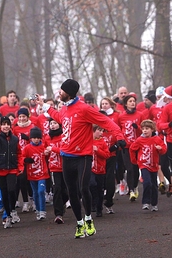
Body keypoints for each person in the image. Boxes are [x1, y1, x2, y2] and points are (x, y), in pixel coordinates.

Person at [36, 78, 125, 239]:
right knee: (72, 192)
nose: (59, 92)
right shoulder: (64, 108)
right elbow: (57, 116)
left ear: (68, 92)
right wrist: (44, 105)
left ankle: (89, 219)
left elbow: (105, 121)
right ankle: (79, 223)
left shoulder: (84, 109)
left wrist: (119, 136)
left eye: (61, 90)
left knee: (84, 188)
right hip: (66, 156)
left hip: (83, 156)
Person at [0, 116, 23, 228]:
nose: (5, 126)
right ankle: (8, 215)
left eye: (7, 124)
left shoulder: (15, 139)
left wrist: (20, 166)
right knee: (4, 193)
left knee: (12, 190)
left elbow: (19, 153)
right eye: (3, 124)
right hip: (0, 169)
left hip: (12, 169)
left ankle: (12, 210)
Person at [129, 120, 167, 211]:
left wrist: (160, 148)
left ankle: (154, 204)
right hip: (144, 164)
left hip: (154, 165)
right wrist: (134, 161)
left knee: (154, 184)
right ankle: (145, 202)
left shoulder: (156, 139)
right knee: (147, 182)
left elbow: (164, 149)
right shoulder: (139, 140)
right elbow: (132, 149)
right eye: (143, 129)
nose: (145, 131)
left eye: (147, 129)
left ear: (152, 130)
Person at [118, 94, 144, 201]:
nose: (132, 103)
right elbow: (119, 129)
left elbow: (144, 130)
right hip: (126, 146)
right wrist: (120, 141)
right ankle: (131, 190)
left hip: (137, 145)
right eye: (130, 101)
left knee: (135, 168)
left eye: (134, 101)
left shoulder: (140, 115)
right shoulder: (121, 116)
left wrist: (137, 127)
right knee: (129, 169)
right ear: (125, 104)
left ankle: (135, 186)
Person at [23, 127, 50, 220]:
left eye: (38, 138)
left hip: (42, 173)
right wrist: (25, 160)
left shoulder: (43, 147)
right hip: (32, 174)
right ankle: (38, 210)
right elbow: (21, 157)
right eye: (34, 138)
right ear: (31, 138)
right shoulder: (27, 148)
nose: (36, 140)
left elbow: (49, 155)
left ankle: (42, 211)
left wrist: (48, 153)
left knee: (41, 191)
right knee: (35, 193)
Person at [45, 119, 68, 224]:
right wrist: (45, 152)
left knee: (66, 191)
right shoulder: (47, 138)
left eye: (55, 123)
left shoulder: (64, 137)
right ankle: (58, 214)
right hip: (54, 168)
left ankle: (62, 203)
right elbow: (44, 150)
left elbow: (65, 151)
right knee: (57, 188)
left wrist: (53, 149)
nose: (53, 125)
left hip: (66, 167)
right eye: (51, 124)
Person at [90, 125, 110, 217]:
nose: (102, 133)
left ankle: (99, 208)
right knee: (91, 184)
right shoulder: (88, 141)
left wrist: (97, 150)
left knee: (100, 190)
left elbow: (107, 155)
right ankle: (93, 203)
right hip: (90, 169)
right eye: (100, 130)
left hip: (100, 169)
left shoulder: (102, 142)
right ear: (94, 131)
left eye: (102, 131)